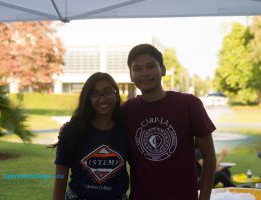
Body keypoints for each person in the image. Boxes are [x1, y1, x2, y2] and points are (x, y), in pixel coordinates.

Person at [121, 43, 217, 200]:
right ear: (131, 75)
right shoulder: (127, 110)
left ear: (163, 70)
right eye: (137, 69)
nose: (145, 73)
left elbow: (209, 156)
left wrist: (204, 197)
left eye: (151, 66)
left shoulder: (189, 104)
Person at [53, 72, 129, 200]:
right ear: (87, 98)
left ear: (116, 93)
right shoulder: (72, 131)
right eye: (94, 94)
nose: (102, 98)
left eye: (108, 91)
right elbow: (60, 176)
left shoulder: (127, 129)